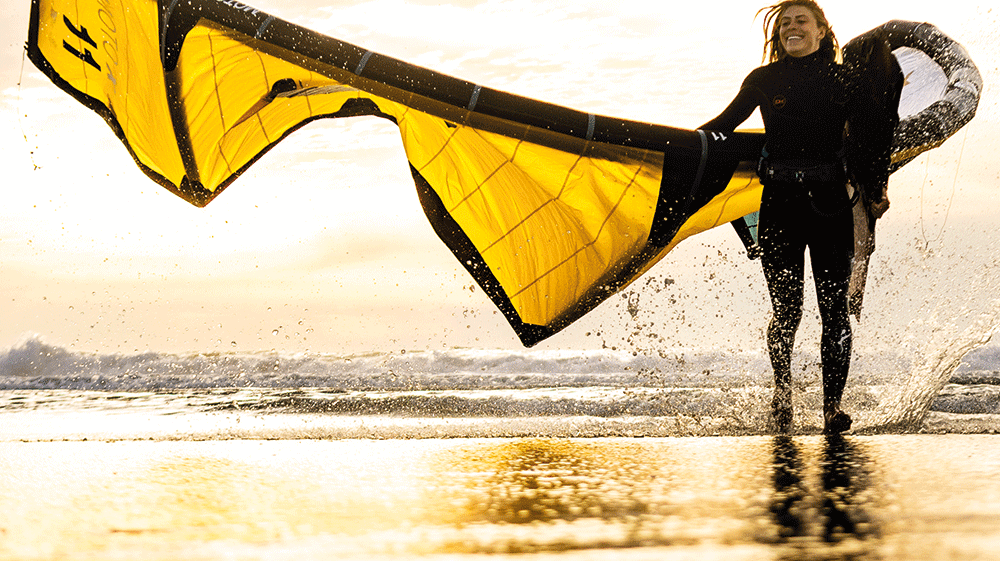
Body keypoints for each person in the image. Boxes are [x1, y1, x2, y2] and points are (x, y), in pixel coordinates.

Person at [700, 1, 891, 433]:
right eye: (784, 23)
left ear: (822, 30)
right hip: (780, 207)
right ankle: (782, 395)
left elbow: (871, 140)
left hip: (830, 206)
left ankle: (831, 409)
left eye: (800, 20)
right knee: (786, 311)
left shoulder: (847, 81)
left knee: (834, 312)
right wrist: (673, 148)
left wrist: (878, 189)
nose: (791, 27)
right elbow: (722, 127)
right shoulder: (763, 80)